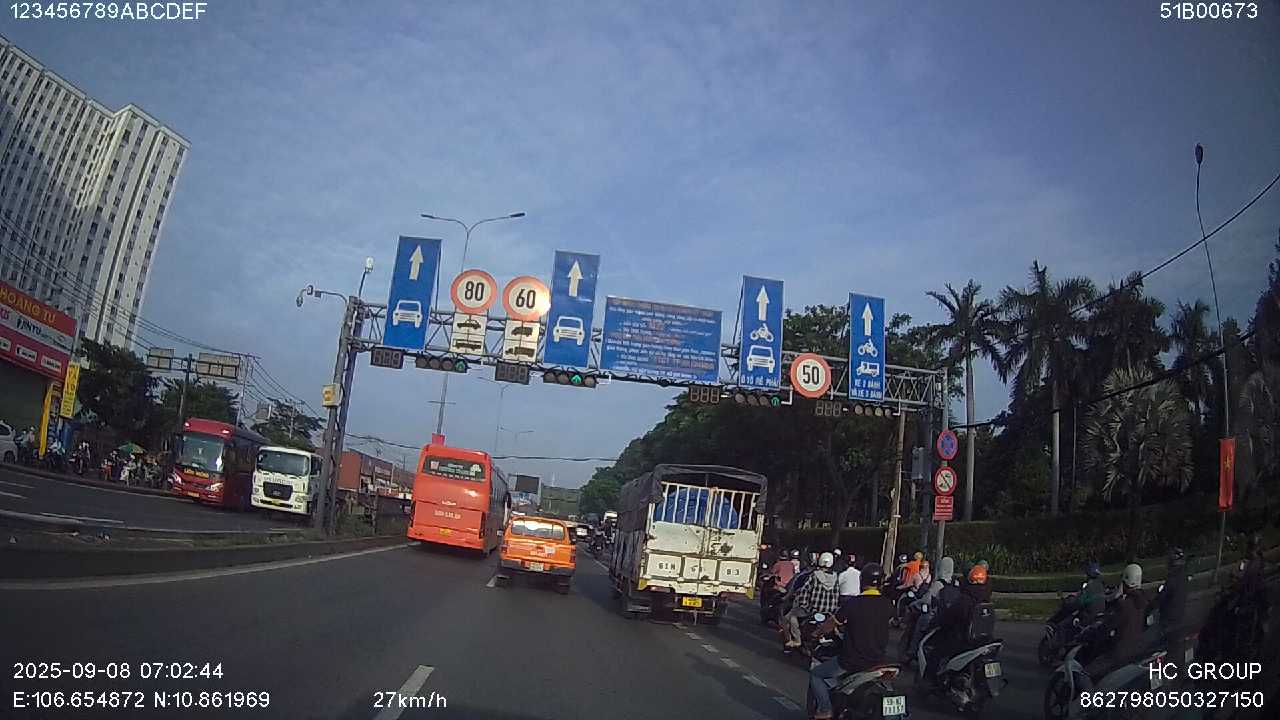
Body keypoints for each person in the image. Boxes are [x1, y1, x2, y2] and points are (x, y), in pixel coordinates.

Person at [809, 562, 894, 720]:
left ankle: (825, 709)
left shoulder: (853, 604)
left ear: (862, 581)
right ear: (881, 582)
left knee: (816, 675)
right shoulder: (887, 605)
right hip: (879, 661)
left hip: (852, 661)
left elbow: (831, 624)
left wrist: (816, 633)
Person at [927, 563, 994, 681]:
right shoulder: (986, 600)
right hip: (983, 640)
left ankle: (930, 680)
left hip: (962, 640)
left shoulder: (965, 600)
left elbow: (948, 617)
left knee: (936, 652)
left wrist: (938, 622)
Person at [1087, 563, 1147, 679]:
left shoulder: (1123, 605)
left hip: (1119, 653)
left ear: (1124, 582)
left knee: (1088, 672)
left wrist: (1094, 634)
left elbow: (1107, 627)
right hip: (1136, 649)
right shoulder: (1143, 601)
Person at [784, 552, 840, 649]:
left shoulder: (814, 575)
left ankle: (797, 640)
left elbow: (804, 592)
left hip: (812, 611)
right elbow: (837, 595)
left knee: (791, 617)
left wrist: (804, 605)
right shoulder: (836, 577)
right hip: (829, 613)